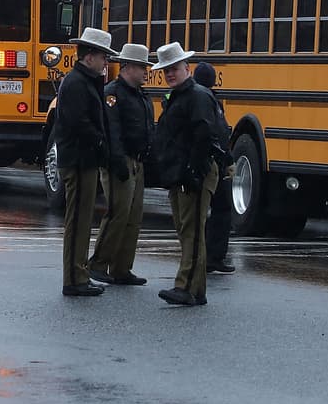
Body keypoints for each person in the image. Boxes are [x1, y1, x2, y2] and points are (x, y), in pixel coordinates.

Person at [150, 42, 221, 306]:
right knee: (187, 230)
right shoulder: (178, 96)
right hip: (180, 172)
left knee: (190, 231)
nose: (170, 74)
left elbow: (204, 134)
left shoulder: (197, 96)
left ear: (187, 68)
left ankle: (185, 286)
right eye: (166, 70)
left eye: (174, 69)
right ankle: (196, 288)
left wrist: (193, 170)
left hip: (194, 173)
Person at [55, 27, 116, 297]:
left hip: (85, 159)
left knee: (82, 220)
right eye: (104, 56)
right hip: (78, 160)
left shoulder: (86, 81)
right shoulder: (77, 83)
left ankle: (79, 273)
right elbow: (79, 123)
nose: (106, 62)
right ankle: (73, 278)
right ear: (89, 56)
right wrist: (101, 142)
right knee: (77, 221)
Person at [88, 43, 154, 286]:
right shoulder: (113, 93)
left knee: (133, 217)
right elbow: (112, 130)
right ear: (128, 67)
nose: (147, 72)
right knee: (118, 213)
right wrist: (117, 162)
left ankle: (121, 267)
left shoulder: (139, 94)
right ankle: (97, 263)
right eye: (142, 67)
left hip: (137, 160)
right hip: (121, 160)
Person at [193, 62, 236, 274]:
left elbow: (220, 131)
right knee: (207, 211)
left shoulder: (209, 99)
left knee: (219, 208)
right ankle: (207, 257)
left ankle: (212, 257)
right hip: (207, 162)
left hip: (215, 161)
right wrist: (228, 158)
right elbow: (216, 132)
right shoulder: (206, 100)